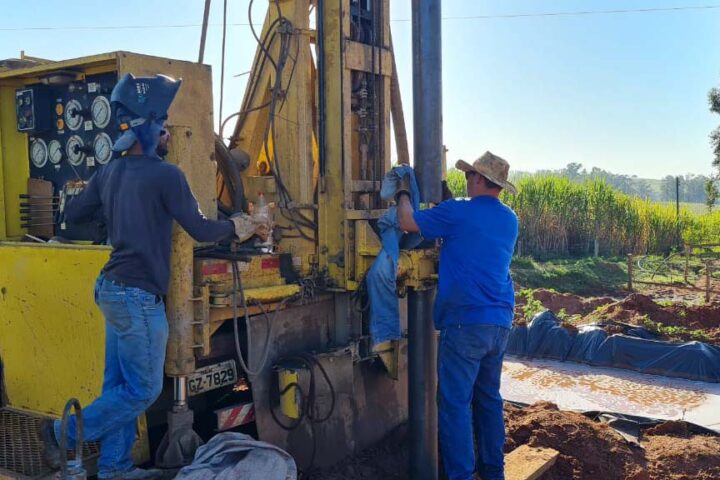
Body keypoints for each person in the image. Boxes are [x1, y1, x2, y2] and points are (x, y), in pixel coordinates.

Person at [37, 73, 267, 480]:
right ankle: (60, 433)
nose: (166, 133)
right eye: (162, 126)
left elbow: (72, 216)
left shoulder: (110, 172)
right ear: (148, 129)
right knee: (142, 390)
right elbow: (200, 230)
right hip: (138, 298)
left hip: (110, 289)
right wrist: (242, 225)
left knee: (119, 388)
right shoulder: (167, 175)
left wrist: (112, 225)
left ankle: (114, 467)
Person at [397, 151, 519, 480]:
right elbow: (476, 242)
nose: (466, 182)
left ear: (479, 180)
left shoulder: (458, 213)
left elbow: (407, 222)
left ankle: (461, 476)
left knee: (454, 404)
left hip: (465, 323)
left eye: (469, 177)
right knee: (489, 400)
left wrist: (403, 193)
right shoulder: (510, 219)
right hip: (500, 322)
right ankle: (494, 473)